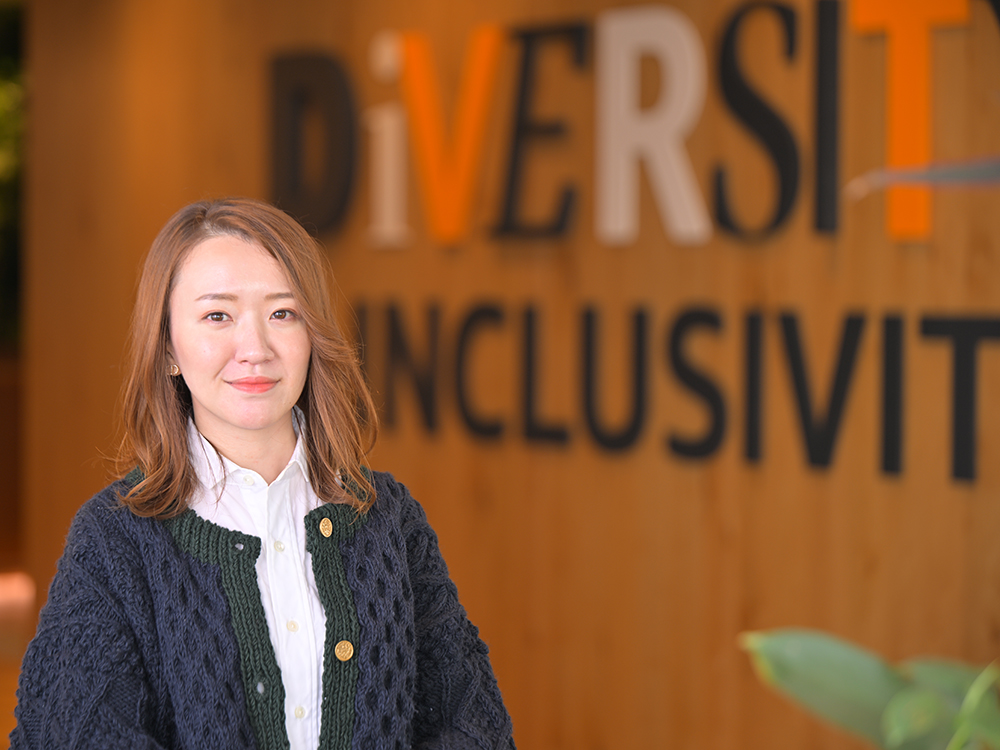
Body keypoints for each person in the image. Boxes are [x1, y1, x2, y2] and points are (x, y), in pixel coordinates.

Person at [10, 197, 515, 749]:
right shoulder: (113, 540)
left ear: (312, 336)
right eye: (217, 316)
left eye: (283, 313)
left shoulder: (387, 517)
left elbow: (475, 723)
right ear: (169, 348)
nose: (254, 348)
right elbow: (71, 734)